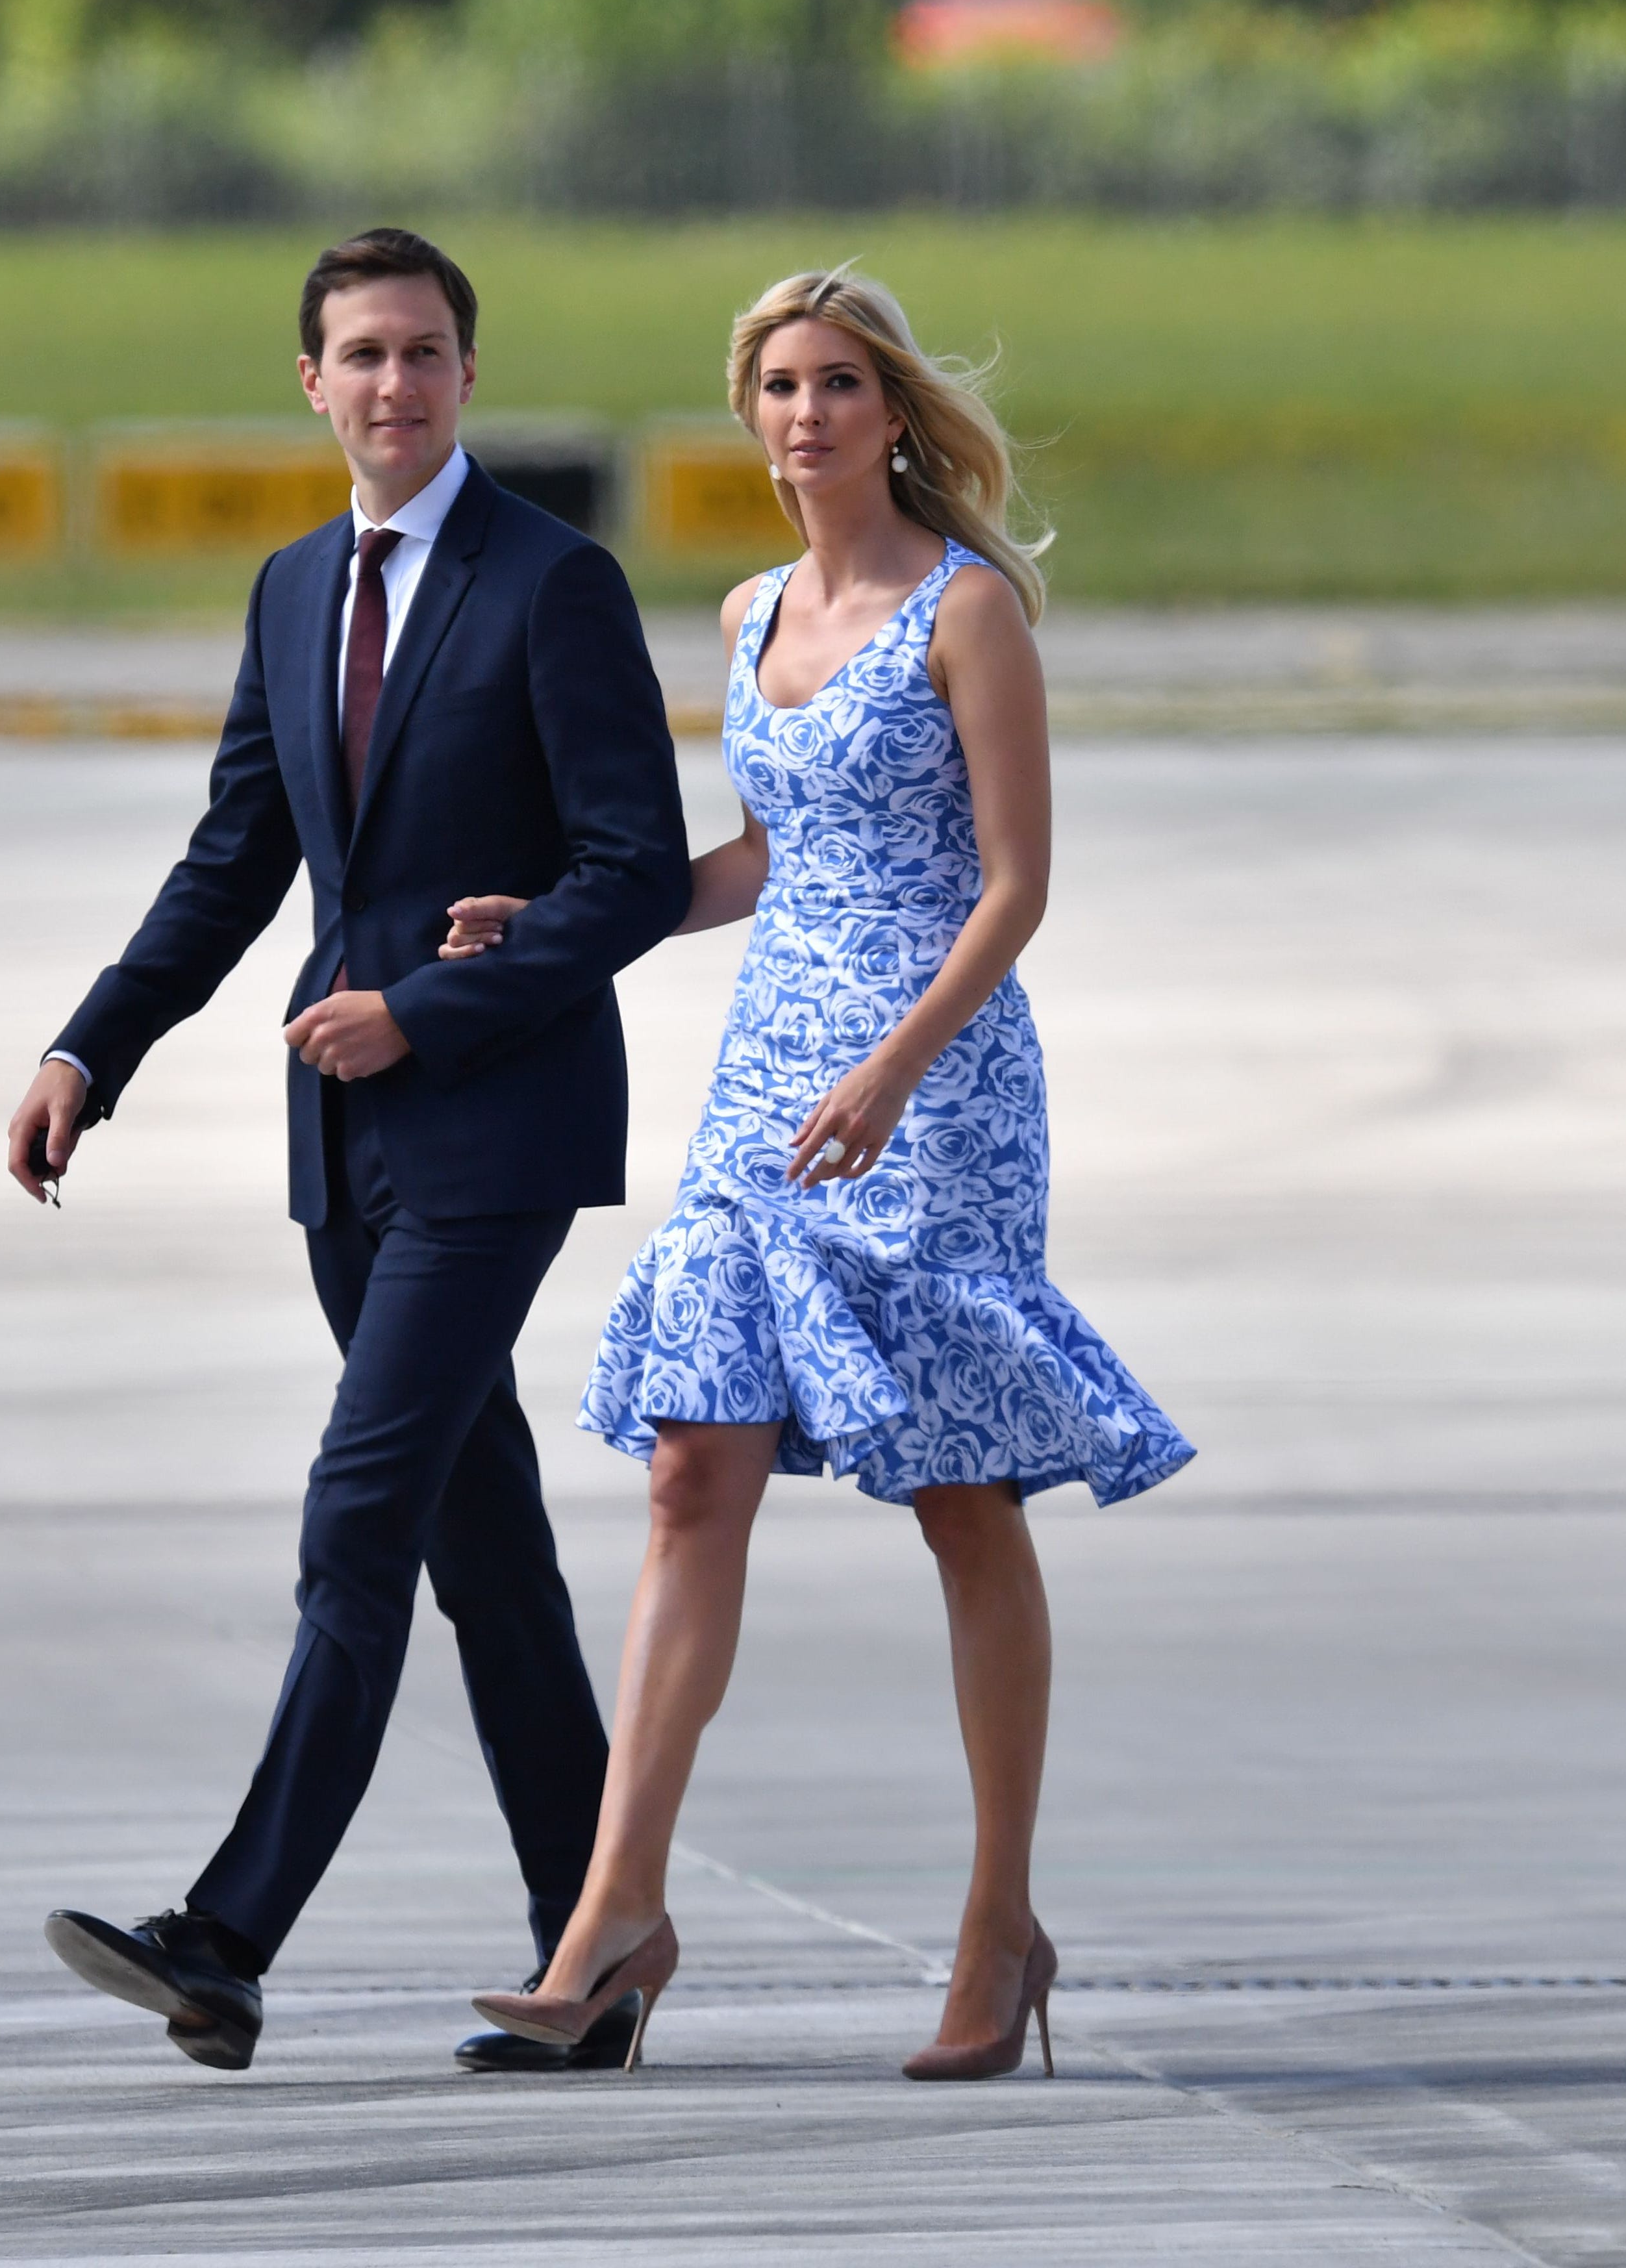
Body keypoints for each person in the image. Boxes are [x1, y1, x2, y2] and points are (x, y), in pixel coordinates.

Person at [442, 268, 1194, 2080]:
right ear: (753, 412)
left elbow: (1013, 884)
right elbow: (777, 856)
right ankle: (614, 1916)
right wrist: (567, 922)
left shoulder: (969, 612)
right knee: (696, 1470)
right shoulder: (752, 608)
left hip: (931, 1082)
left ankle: (996, 1926)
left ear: (896, 412)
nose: (808, 414)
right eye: (780, 385)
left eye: (841, 383)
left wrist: (892, 1067)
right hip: (767, 1079)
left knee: (959, 1494)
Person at [5, 227, 689, 2075]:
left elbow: (633, 870)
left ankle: (227, 1937)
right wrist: (97, 1043)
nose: (396, 384)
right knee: (487, 1554)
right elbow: (238, 857)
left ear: (472, 374)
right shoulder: (295, 586)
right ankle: (595, 1947)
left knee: (360, 1511)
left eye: (427, 352)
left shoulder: (556, 585)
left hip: (501, 1122)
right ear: (309, 382)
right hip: (345, 1140)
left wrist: (436, 1007)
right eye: (362, 355)